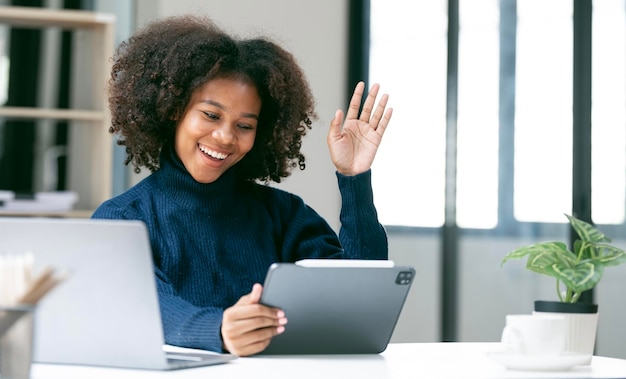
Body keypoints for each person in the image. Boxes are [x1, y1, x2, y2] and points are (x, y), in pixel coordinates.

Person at [92, 14, 393, 357]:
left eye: (245, 125)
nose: (225, 137)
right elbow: (140, 303)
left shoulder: (284, 215)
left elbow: (360, 299)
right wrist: (219, 329)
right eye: (211, 115)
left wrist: (354, 179)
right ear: (173, 111)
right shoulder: (121, 219)